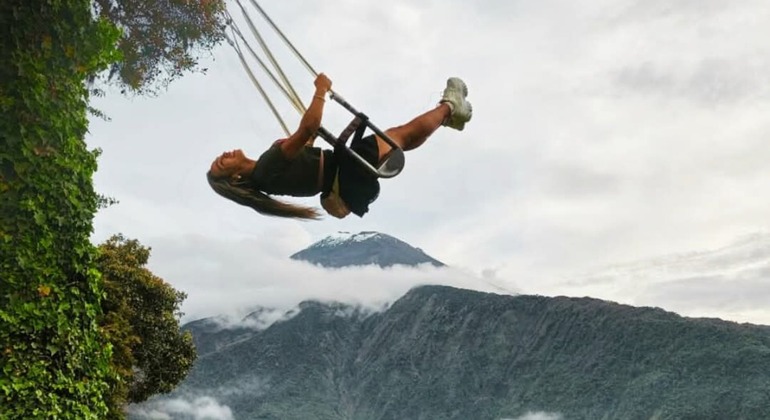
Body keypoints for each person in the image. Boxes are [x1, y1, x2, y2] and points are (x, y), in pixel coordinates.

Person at [207, 73, 472, 220]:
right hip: (344, 169)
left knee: (399, 138)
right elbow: (307, 129)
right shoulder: (265, 168)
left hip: (343, 174)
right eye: (222, 163)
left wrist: (309, 134)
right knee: (401, 135)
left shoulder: (267, 173)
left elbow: (306, 144)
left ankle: (450, 114)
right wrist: (320, 90)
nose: (223, 156)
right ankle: (450, 106)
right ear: (235, 176)